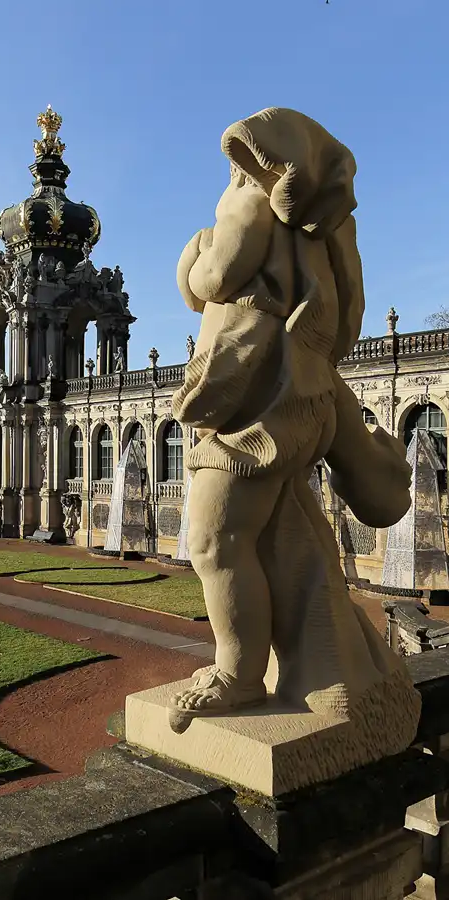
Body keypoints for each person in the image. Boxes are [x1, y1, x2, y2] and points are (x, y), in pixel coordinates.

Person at [170, 108, 421, 746]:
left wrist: (194, 250)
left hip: (255, 409)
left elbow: (212, 279)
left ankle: (238, 673)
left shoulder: (250, 207)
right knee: (277, 534)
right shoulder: (320, 236)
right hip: (299, 395)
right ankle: (318, 661)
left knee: (214, 541)